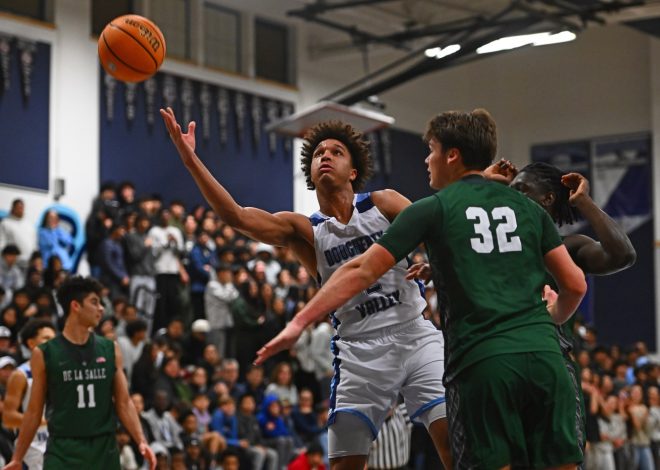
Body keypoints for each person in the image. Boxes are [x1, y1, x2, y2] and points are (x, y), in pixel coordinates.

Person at [257, 108, 588, 469]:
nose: (426, 159)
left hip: (484, 360)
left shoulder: (432, 209)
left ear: (452, 155)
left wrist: (298, 322)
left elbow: (361, 269)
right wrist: (551, 316)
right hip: (545, 356)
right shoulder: (527, 207)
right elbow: (575, 284)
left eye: (431, 150)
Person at [161, 107, 450, 469]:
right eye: (318, 154)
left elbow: (439, 228)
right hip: (358, 351)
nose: (325, 156)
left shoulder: (383, 203)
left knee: (453, 441)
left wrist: (436, 264)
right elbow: (235, 216)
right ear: (311, 173)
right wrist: (190, 160)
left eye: (335, 152)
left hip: (414, 335)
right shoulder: (306, 231)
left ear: (354, 171)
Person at [2, 276, 156, 470]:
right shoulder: (44, 353)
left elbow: (124, 402)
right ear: (75, 306)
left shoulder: (110, 349)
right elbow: (33, 411)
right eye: (94, 302)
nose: (101, 308)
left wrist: (141, 440)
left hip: (104, 449)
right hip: (63, 450)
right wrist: (17, 458)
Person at [2, 319, 56, 470]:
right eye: (46, 338)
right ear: (31, 343)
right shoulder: (20, 375)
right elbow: (8, 417)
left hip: (58, 444)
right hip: (31, 448)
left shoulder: (62, 371)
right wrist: (41, 420)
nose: (52, 343)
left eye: (54, 338)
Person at [0, 199, 36, 273]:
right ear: (13, 208)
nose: (21, 210)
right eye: (18, 208)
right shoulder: (5, 223)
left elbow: (34, 243)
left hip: (29, 264)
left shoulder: (29, 225)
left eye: (22, 208)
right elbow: (2, 243)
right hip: (13, 265)